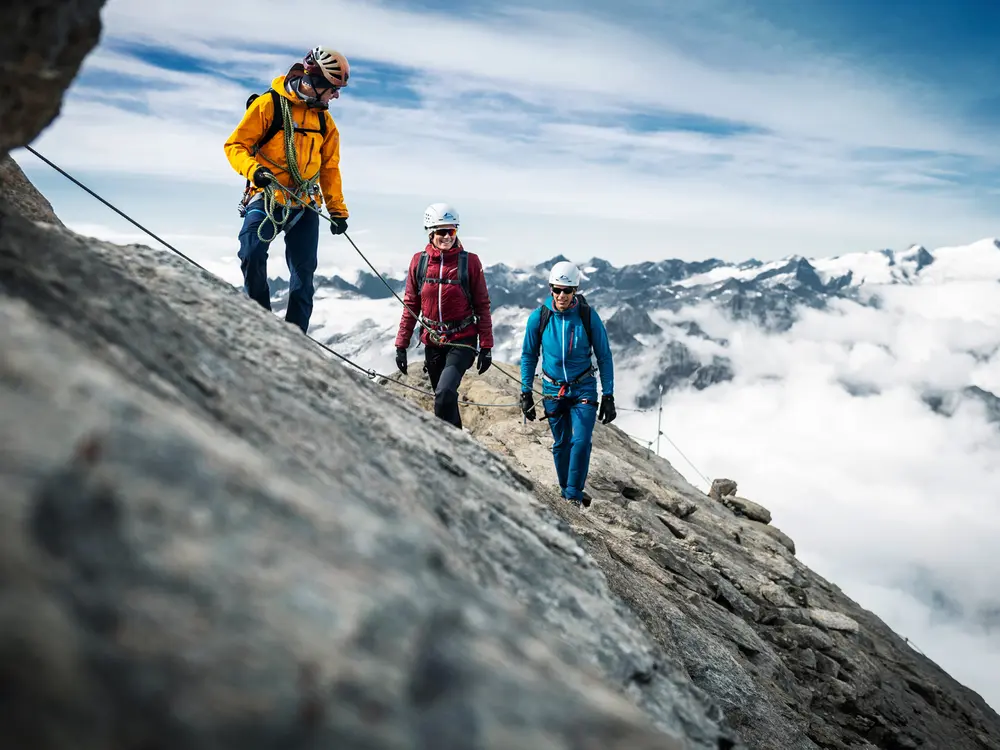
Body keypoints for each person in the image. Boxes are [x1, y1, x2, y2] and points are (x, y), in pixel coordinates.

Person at [223, 45, 351, 334]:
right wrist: (254, 171)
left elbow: (329, 169)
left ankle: (296, 338)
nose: (337, 95)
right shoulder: (269, 105)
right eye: (333, 87)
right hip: (267, 195)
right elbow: (235, 145)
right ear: (316, 83)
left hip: (304, 202)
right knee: (251, 253)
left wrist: (338, 211)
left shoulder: (325, 122)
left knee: (304, 274)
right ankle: (261, 323)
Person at [519, 260, 616, 507]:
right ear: (550, 288)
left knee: (581, 442)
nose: (561, 295)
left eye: (567, 290)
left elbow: (604, 356)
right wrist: (526, 391)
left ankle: (573, 495)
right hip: (552, 389)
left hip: (583, 386)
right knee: (561, 444)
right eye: (557, 289)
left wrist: (608, 395)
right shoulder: (538, 318)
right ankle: (566, 491)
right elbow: (529, 355)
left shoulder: (587, 316)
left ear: (575, 291)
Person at [394, 203, 494, 429]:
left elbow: (482, 305)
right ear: (430, 233)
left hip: (462, 339)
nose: (447, 237)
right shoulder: (419, 262)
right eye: (441, 232)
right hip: (433, 341)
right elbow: (411, 304)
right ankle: (458, 446)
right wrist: (401, 345)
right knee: (444, 400)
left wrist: (486, 346)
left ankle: (449, 447)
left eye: (452, 231)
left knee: (445, 391)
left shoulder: (470, 262)